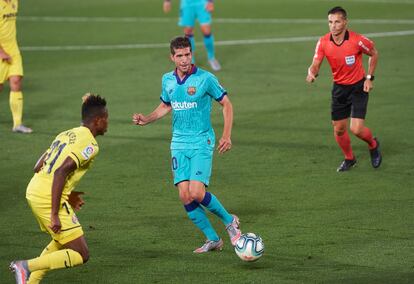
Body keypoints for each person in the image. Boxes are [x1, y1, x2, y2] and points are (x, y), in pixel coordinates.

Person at [133, 36, 240, 253]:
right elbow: (165, 106)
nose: (184, 60)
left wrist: (226, 135)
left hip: (202, 140)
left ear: (192, 54)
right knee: (184, 195)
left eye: (187, 55)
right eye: (179, 56)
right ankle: (213, 239)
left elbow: (226, 104)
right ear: (172, 57)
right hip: (178, 143)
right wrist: (147, 118)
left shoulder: (205, 78)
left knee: (197, 192)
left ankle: (230, 222)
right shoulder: (167, 80)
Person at [9, 94, 108, 284]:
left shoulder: (66, 134)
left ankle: (30, 282)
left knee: (62, 240)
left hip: (35, 189)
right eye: (106, 118)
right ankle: (25, 267)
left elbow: (38, 165)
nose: (108, 123)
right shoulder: (90, 143)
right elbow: (61, 171)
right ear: (98, 120)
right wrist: (55, 212)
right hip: (48, 198)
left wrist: (68, 195)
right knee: (81, 254)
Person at [306, 6, 382, 172]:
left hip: (358, 87)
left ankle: (373, 144)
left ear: (345, 22)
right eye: (330, 22)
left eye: (337, 22)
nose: (333, 25)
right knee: (339, 129)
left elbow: (374, 53)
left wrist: (369, 78)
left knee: (356, 129)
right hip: (339, 89)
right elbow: (316, 63)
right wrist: (312, 72)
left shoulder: (357, 40)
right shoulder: (323, 42)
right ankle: (349, 158)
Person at [0, 0, 32, 133]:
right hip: (1, 51)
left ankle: (17, 124)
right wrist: (1, 52)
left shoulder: (14, 1)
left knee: (16, 81)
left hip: (13, 50)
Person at [163, 0, 222, 71]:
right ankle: (191, 61)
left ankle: (211, 58)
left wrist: (210, 2)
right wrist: (167, 1)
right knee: (188, 32)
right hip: (187, 4)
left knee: (206, 31)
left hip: (202, 3)